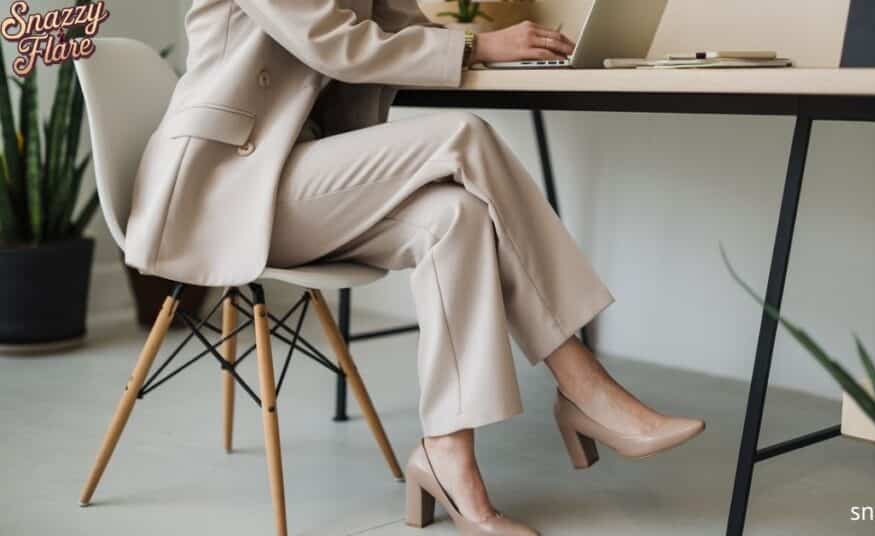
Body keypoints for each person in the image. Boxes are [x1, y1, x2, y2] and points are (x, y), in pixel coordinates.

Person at [127, 2, 705, 534]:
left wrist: (486, 42)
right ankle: (583, 383)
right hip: (228, 186)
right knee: (463, 134)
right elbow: (330, 41)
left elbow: (403, 25)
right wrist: (480, 48)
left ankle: (445, 453)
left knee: (457, 217)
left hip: (301, 176)